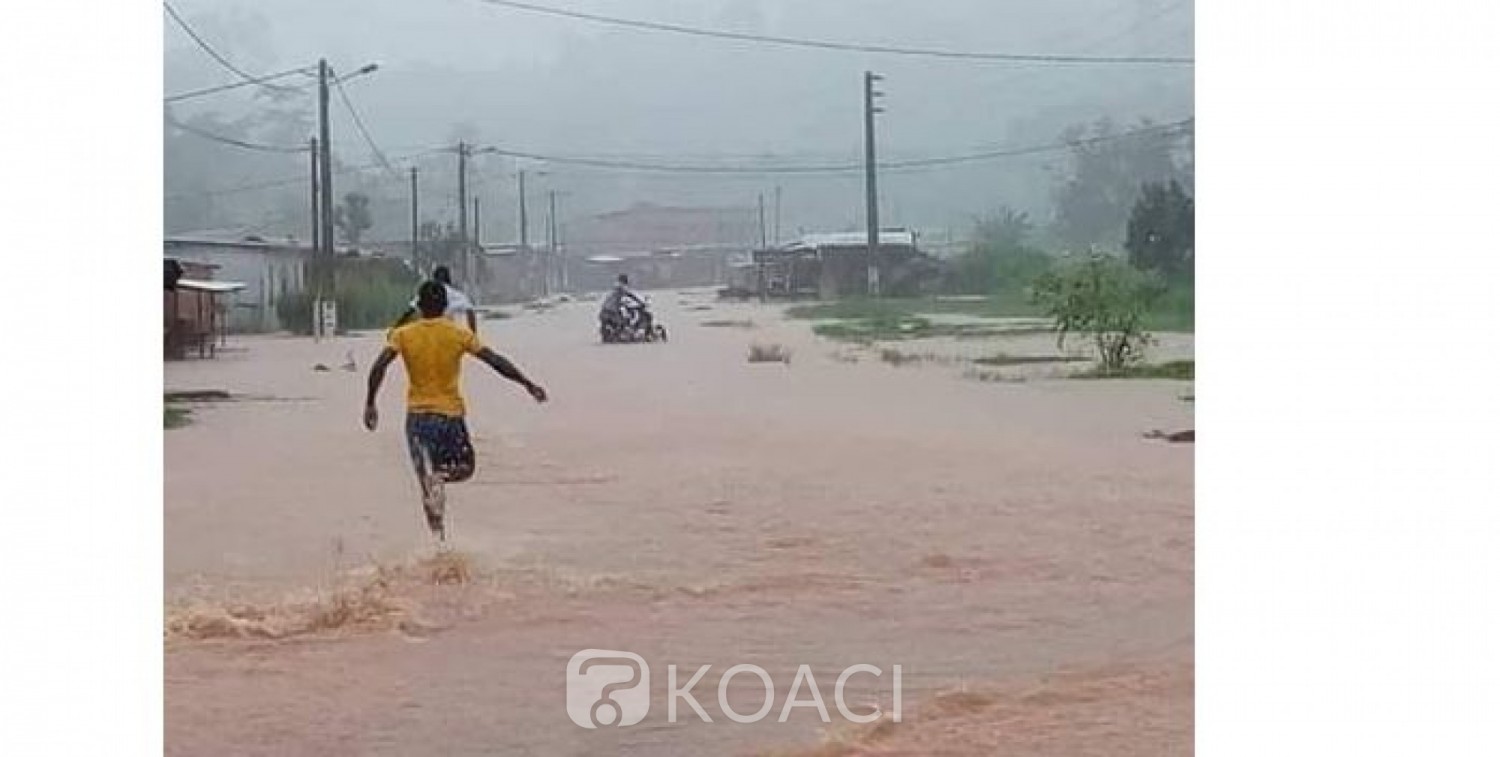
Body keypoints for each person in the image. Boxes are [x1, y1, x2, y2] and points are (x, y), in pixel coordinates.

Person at [365, 280, 547, 539]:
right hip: (449, 416)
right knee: (465, 468)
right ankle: (441, 478)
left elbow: (378, 366)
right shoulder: (458, 334)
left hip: (417, 419)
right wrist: (527, 383)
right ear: (445, 306)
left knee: (425, 486)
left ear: (419, 306)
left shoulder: (403, 335)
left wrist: (371, 403)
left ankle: (438, 541)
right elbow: (494, 361)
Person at [393, 265, 478, 333]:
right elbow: (470, 311)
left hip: (426, 331)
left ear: (434, 277)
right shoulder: (457, 295)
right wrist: (473, 333)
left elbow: (410, 311)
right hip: (448, 332)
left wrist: (395, 328)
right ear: (449, 278)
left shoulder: (426, 292)